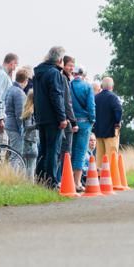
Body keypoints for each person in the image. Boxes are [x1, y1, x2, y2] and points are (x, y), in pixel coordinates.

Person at [33, 46, 68, 190]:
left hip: (41, 117)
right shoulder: (54, 73)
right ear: (60, 60)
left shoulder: (37, 74)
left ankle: (40, 180)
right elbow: (56, 96)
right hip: (53, 118)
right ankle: (51, 182)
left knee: (43, 150)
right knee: (54, 150)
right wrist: (62, 118)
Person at [70, 65, 96, 193]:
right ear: (83, 74)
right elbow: (91, 106)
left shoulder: (68, 85)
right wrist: (93, 119)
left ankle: (67, 180)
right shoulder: (87, 87)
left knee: (71, 151)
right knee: (81, 152)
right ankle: (77, 182)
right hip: (85, 122)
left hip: (71, 122)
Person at [93, 77, 123, 168]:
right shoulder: (113, 97)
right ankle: (111, 178)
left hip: (98, 132)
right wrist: (117, 122)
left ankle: (99, 177)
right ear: (112, 87)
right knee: (111, 156)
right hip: (111, 132)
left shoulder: (96, 97)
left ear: (101, 86)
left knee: (99, 157)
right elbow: (118, 109)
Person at [57, 55, 78, 183]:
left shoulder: (65, 78)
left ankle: (61, 179)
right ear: (63, 65)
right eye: (69, 65)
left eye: (72, 65)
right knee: (65, 152)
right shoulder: (64, 79)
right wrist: (73, 120)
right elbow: (67, 101)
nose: (71, 68)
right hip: (66, 120)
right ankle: (64, 180)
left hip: (64, 118)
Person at [5, 68, 29, 165]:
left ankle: (12, 175)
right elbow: (20, 114)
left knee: (13, 154)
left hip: (9, 125)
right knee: (17, 155)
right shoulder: (19, 93)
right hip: (15, 127)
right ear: (25, 80)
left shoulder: (11, 89)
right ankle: (14, 177)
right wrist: (22, 129)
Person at [21, 90, 39, 182]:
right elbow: (28, 126)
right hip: (30, 141)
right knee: (31, 165)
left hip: (28, 141)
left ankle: (28, 183)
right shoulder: (31, 112)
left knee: (28, 165)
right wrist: (38, 125)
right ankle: (30, 184)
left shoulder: (26, 111)